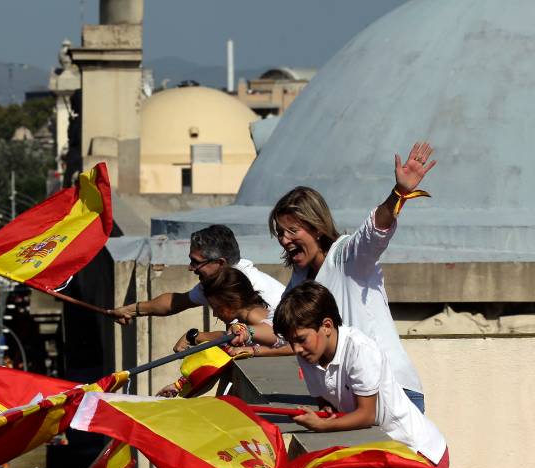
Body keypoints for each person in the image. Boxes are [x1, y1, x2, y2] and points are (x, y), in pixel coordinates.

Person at [268, 142, 436, 412]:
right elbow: (279, 327)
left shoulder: (347, 257)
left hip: (391, 391)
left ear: (317, 227)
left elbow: (375, 230)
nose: (284, 240)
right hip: (352, 400)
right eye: (280, 232)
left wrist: (398, 194)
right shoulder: (300, 280)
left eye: (293, 231)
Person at [273, 282, 449, 468]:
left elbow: (367, 414)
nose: (296, 349)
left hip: (418, 449)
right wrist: (326, 412)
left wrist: (322, 425)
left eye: (301, 339)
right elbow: (326, 403)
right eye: (290, 342)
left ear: (327, 326)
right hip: (385, 449)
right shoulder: (309, 357)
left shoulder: (359, 349)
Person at [111, 224, 285, 324]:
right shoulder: (222, 281)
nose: (190, 268)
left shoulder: (244, 288)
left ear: (220, 263)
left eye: (196, 262)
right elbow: (177, 302)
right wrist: (130, 310)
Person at [168, 266, 282, 355]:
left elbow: (278, 335)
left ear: (234, 301)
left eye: (217, 308)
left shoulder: (256, 318)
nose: (215, 314)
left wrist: (247, 334)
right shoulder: (252, 316)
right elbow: (226, 337)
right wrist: (194, 337)